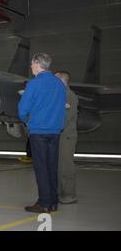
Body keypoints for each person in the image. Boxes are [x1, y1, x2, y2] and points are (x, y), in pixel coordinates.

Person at [18, 53, 66, 214]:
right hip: (55, 131)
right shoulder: (59, 84)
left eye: (32, 63)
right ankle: (53, 201)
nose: (31, 66)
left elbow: (23, 109)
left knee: (41, 168)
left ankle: (44, 203)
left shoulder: (34, 84)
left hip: (39, 131)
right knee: (52, 166)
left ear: (37, 64)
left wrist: (26, 120)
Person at [55, 71, 79, 204]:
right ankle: (60, 193)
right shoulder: (60, 95)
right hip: (60, 136)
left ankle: (69, 195)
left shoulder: (68, 95)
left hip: (66, 137)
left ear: (61, 81)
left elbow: (65, 118)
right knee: (58, 166)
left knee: (66, 166)